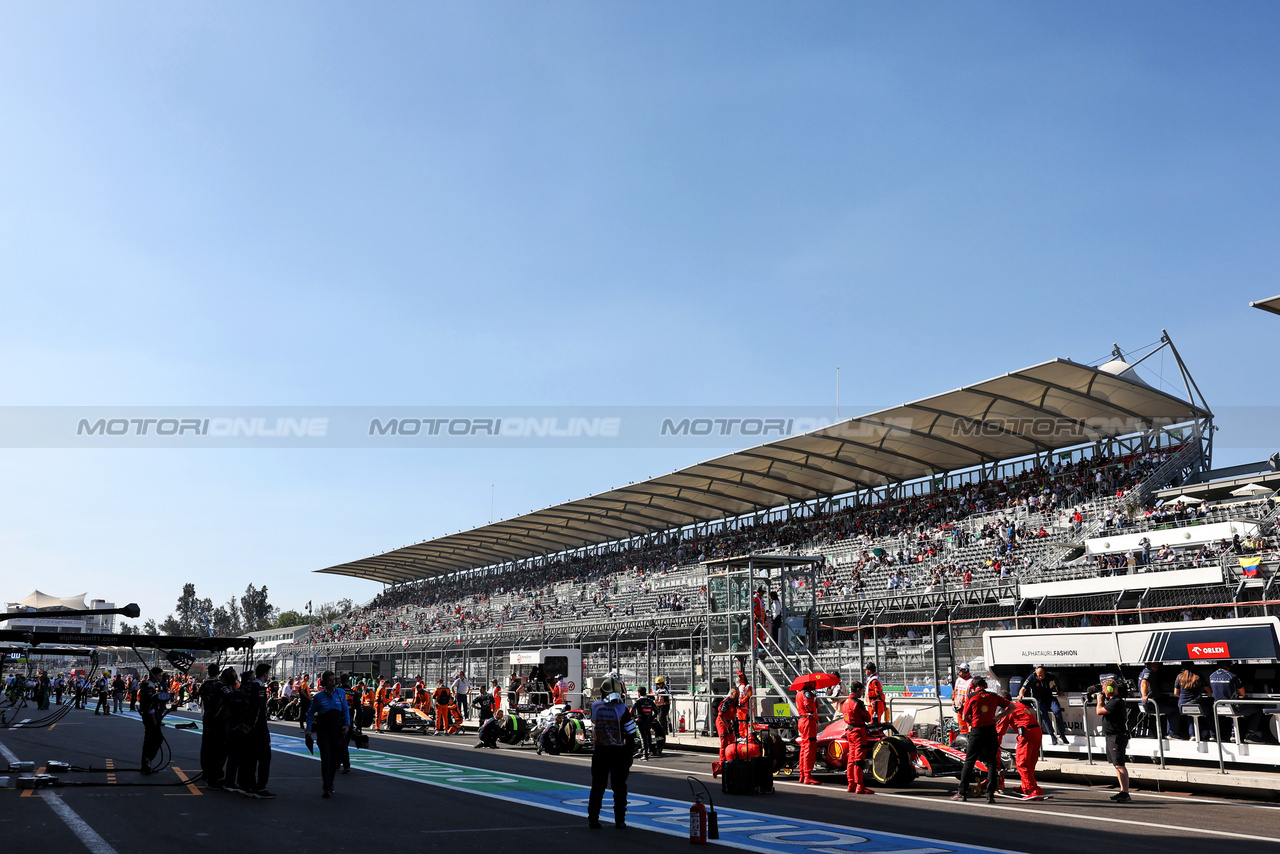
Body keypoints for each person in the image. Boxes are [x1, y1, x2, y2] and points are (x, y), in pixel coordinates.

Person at [953, 677, 1009, 803]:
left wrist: (971, 722)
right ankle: (990, 795)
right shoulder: (994, 696)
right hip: (991, 731)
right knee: (991, 763)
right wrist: (999, 716)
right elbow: (1011, 706)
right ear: (985, 684)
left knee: (969, 761)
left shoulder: (972, 696)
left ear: (973, 686)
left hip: (977, 731)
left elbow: (964, 716)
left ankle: (961, 793)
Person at [587, 692, 637, 830]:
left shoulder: (595, 706)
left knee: (597, 787)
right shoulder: (622, 708)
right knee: (620, 788)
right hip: (618, 752)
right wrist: (629, 755)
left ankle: (593, 819)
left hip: (600, 750)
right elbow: (631, 733)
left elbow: (592, 721)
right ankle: (620, 821)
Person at [304, 671, 351, 799]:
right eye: (330, 680)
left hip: (338, 732)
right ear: (325, 682)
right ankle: (327, 786)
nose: (332, 682)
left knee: (335, 760)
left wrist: (347, 724)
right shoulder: (319, 697)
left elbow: (346, 710)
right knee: (326, 759)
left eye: (334, 679)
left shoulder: (341, 693)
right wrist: (308, 729)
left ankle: (331, 783)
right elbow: (310, 713)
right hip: (323, 732)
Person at [995, 692, 1043, 799]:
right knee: (1030, 762)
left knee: (1022, 763)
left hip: (1026, 733)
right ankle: (1025, 786)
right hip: (1037, 732)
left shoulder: (1008, 709)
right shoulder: (1020, 705)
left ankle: (1035, 790)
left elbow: (1000, 730)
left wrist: (995, 745)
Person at [237, 662, 274, 799]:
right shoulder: (259, 688)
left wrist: (246, 724)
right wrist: (251, 725)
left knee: (251, 758)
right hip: (259, 729)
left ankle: (250, 785)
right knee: (265, 758)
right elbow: (258, 709)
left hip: (249, 728)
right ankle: (261, 787)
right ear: (265, 674)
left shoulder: (248, 686)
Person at [1209, 661, 1266, 743]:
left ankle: (1231, 734)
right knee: (1258, 710)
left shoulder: (1211, 676)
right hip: (1232, 707)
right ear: (1226, 664)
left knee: (1233, 711)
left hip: (1218, 707)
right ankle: (1250, 735)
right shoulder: (1232, 676)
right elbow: (1243, 694)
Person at [199, 667, 235, 790]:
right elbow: (231, 697)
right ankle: (215, 777)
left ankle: (206, 772)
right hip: (218, 720)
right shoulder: (219, 685)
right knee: (219, 749)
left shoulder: (205, 685)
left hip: (208, 718)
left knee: (207, 747)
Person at [1096, 679, 1131, 803]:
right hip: (1111, 736)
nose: (1103, 691)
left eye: (1104, 689)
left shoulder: (1116, 702)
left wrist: (1099, 701)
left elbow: (1099, 711)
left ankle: (1125, 792)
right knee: (1116, 765)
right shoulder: (1112, 701)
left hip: (1116, 737)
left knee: (1119, 764)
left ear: (1110, 689)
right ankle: (1122, 791)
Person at [1018, 665, 1065, 745]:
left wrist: (1059, 689)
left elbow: (1056, 679)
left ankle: (1062, 734)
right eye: (1039, 675)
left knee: (1057, 710)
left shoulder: (1048, 676)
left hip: (1049, 698)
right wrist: (1021, 695)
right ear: (1036, 674)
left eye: (1042, 675)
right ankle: (1052, 735)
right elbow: (1023, 689)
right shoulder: (1031, 677)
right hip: (1038, 700)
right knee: (1043, 713)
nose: (1041, 677)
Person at [841, 681, 874, 794]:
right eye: (862, 690)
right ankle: (860, 785)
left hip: (849, 731)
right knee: (859, 759)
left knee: (851, 758)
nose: (863, 692)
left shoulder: (845, 702)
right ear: (858, 690)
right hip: (858, 731)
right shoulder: (858, 703)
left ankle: (851, 784)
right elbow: (867, 717)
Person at [138, 667, 169, 774]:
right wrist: (155, 721)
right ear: (154, 675)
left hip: (153, 716)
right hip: (150, 718)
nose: (161, 677)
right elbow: (150, 705)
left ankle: (146, 763)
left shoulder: (152, 685)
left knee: (153, 740)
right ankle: (146, 763)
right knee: (153, 740)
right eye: (159, 675)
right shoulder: (149, 686)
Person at [795, 679, 821, 785]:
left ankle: (802, 774)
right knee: (809, 747)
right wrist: (811, 710)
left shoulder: (799, 693)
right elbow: (807, 704)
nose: (815, 684)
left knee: (804, 747)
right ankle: (807, 775)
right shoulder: (807, 693)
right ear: (808, 683)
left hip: (802, 720)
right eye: (813, 682)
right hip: (807, 721)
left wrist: (815, 705)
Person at [713, 685, 738, 775]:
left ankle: (730, 760)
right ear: (732, 693)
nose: (738, 694)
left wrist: (735, 724)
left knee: (732, 742)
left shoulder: (735, 702)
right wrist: (727, 726)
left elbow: (734, 714)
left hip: (728, 722)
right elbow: (721, 715)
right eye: (736, 693)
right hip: (722, 722)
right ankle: (722, 764)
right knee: (724, 742)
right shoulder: (728, 701)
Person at [632, 686, 657, 760]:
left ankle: (645, 754)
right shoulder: (650, 701)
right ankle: (650, 750)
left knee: (643, 737)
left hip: (641, 721)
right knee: (648, 735)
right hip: (648, 721)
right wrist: (653, 717)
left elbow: (631, 711)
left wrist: (634, 718)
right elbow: (656, 710)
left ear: (639, 693)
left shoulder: (638, 701)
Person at [952, 663, 974, 734]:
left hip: (967, 709)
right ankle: (963, 739)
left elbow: (973, 695)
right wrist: (954, 703)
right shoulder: (958, 680)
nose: (959, 672)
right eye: (959, 670)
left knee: (969, 725)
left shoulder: (971, 681)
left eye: (961, 670)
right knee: (961, 727)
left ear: (966, 671)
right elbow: (955, 692)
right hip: (959, 708)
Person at [736, 670, 753, 738]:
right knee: (740, 722)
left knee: (745, 723)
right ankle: (741, 735)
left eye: (739, 677)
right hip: (739, 708)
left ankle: (745, 736)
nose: (738, 678)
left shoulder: (748, 686)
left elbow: (748, 695)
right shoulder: (739, 686)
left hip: (745, 708)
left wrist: (741, 702)